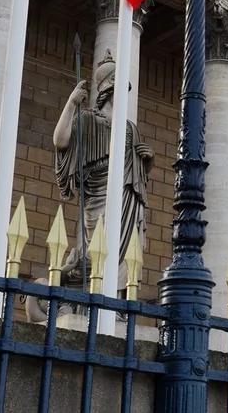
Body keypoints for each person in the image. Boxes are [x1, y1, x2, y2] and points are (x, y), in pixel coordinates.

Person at [52, 52, 153, 288]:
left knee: (127, 248)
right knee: (99, 249)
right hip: (99, 194)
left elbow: (138, 174)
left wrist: (148, 160)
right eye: (119, 88)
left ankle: (114, 305)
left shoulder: (130, 129)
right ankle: (90, 292)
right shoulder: (87, 118)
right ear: (108, 90)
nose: (123, 94)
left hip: (127, 197)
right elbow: (60, 140)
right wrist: (71, 103)